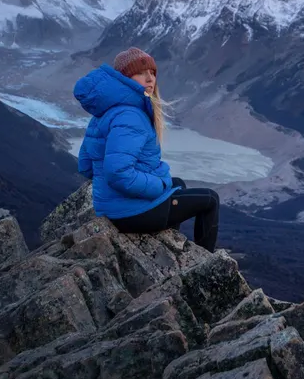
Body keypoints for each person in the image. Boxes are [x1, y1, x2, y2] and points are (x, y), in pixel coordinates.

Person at [73, 47, 219, 252]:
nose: (150, 79)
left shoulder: (104, 112)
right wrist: (157, 185)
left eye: (152, 73)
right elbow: (118, 172)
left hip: (111, 209)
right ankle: (207, 263)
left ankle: (168, 246)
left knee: (177, 184)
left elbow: (86, 166)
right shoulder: (131, 115)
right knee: (211, 199)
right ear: (124, 78)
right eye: (141, 73)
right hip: (130, 214)